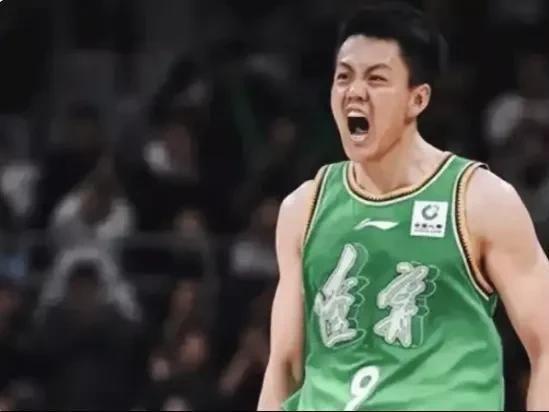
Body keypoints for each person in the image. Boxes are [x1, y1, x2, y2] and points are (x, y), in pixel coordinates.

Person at [257, 2, 549, 411]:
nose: (354, 92)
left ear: (417, 99)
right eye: (344, 77)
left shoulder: (479, 200)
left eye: (376, 79)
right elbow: (284, 367)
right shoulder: (303, 207)